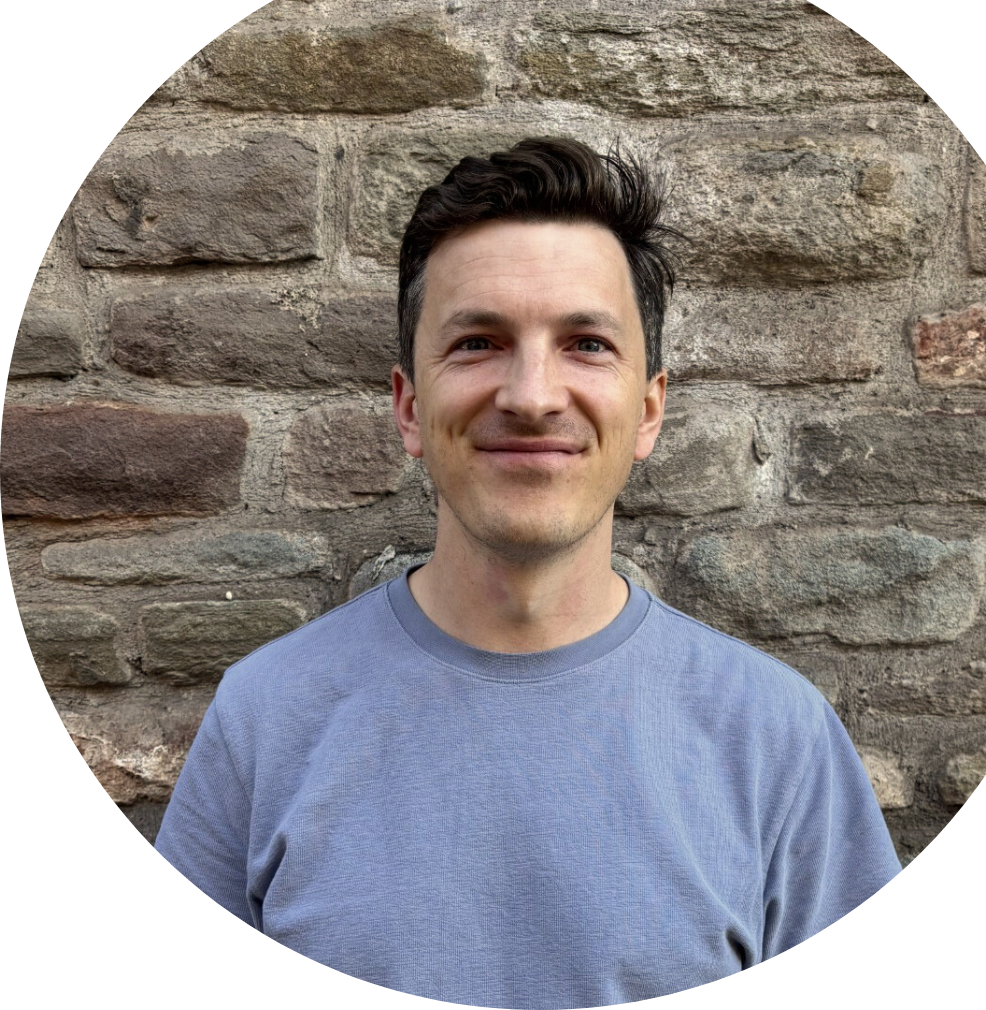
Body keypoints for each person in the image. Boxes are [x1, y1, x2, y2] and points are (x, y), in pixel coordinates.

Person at [154, 137, 902, 1003]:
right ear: (409, 405)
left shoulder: (777, 739)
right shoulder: (265, 719)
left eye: (586, 343)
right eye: (479, 342)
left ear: (648, 409)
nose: (533, 396)